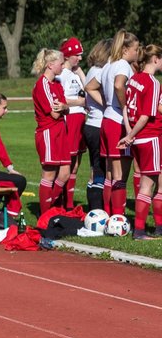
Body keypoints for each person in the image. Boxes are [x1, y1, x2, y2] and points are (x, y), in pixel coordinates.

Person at [86, 31, 140, 217]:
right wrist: (125, 106)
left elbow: (90, 87)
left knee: (109, 173)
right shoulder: (123, 65)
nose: (137, 51)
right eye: (135, 48)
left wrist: (107, 103)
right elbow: (119, 85)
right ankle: (118, 217)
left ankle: (108, 214)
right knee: (119, 175)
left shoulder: (109, 64)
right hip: (117, 121)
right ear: (125, 49)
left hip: (106, 119)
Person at [120, 44, 162, 239]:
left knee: (149, 182)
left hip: (138, 138)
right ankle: (139, 230)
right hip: (150, 136)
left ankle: (153, 228)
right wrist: (130, 135)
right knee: (148, 185)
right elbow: (146, 116)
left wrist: (130, 134)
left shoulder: (134, 79)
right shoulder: (153, 83)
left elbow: (127, 110)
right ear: (155, 59)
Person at [32, 48, 72, 214]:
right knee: (49, 175)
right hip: (48, 132)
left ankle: (51, 208)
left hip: (61, 131)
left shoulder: (57, 83)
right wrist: (63, 108)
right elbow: (55, 113)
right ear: (50, 64)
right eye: (60, 64)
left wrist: (64, 107)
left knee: (65, 174)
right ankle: (46, 213)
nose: (63, 67)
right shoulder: (42, 84)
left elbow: (65, 108)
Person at [81, 39, 112, 212]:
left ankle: (93, 208)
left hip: (91, 124)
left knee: (95, 169)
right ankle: (97, 209)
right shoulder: (101, 71)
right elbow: (90, 89)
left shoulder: (93, 69)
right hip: (99, 124)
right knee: (102, 170)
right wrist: (107, 104)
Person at [57, 38, 87, 210]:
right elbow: (61, 99)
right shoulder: (62, 75)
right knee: (66, 164)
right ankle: (60, 203)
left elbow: (87, 88)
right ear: (68, 56)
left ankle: (68, 204)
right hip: (71, 120)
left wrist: (80, 70)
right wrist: (80, 102)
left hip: (80, 120)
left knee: (75, 165)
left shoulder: (75, 73)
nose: (80, 58)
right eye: (77, 55)